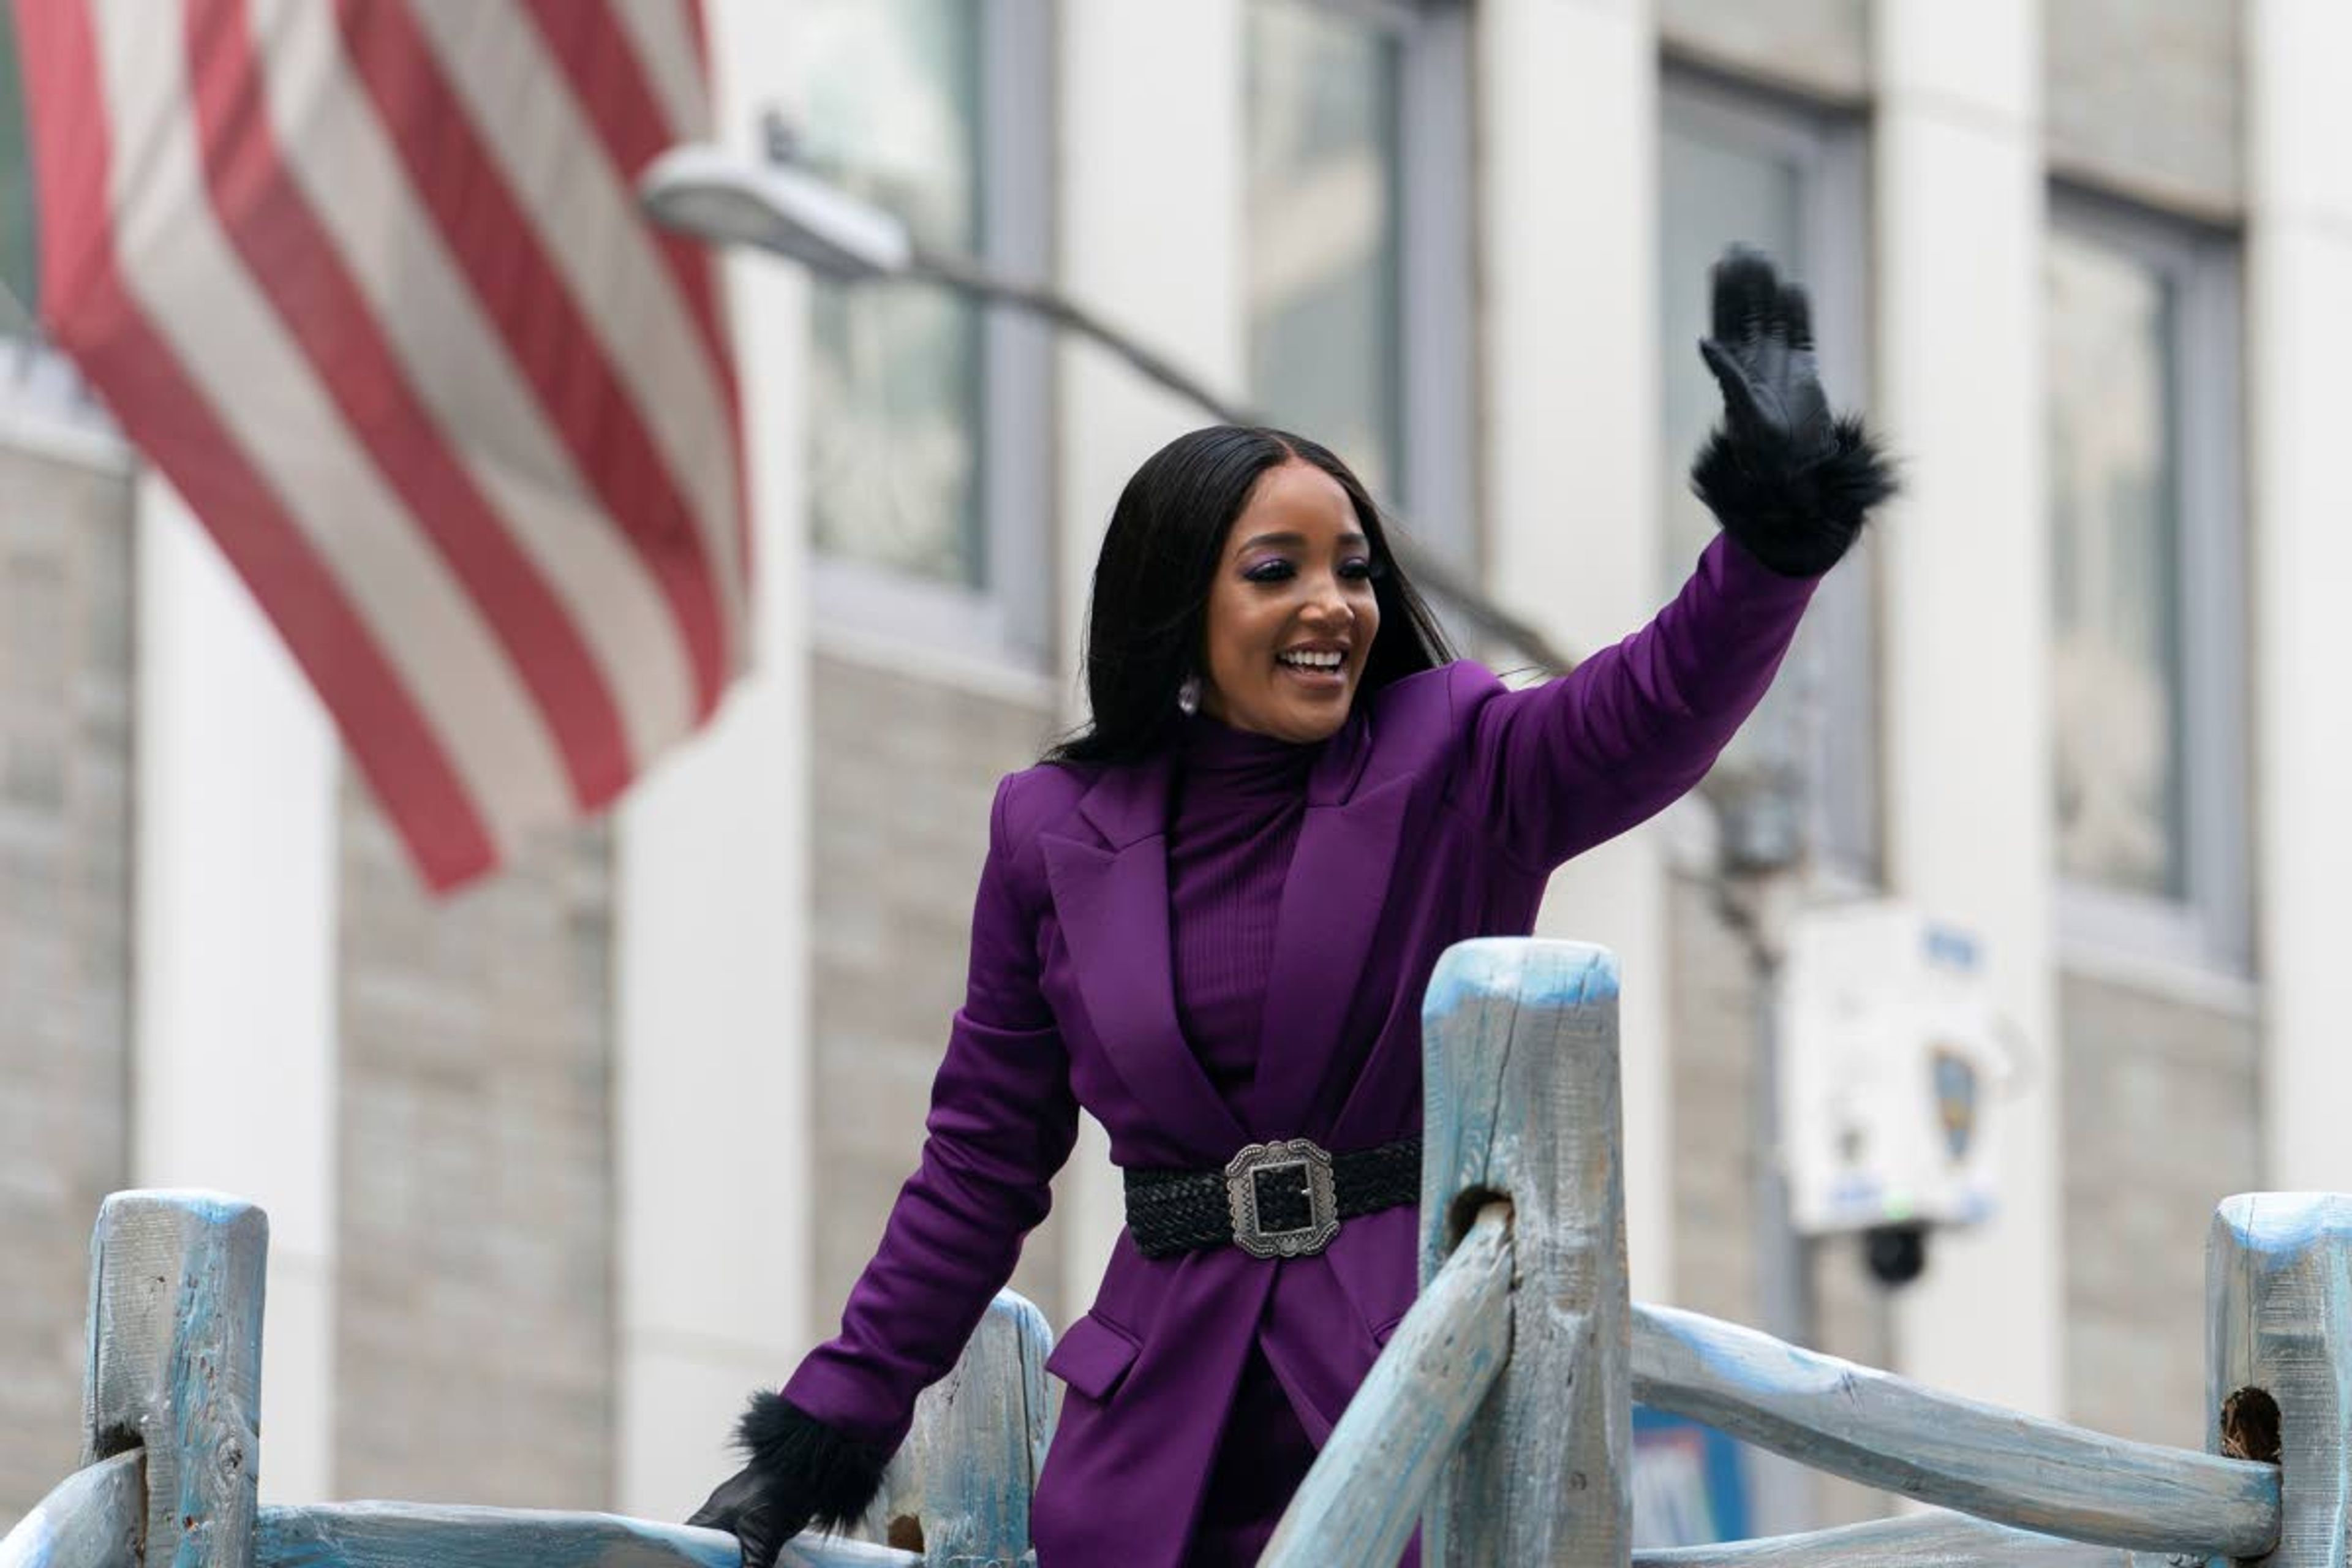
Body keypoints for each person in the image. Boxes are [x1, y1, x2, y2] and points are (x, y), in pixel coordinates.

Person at [688, 249, 1895, 1567]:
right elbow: (979, 1165)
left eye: (1355, 568)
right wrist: (817, 1437)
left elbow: (1653, 709)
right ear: (1179, 604)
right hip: (1152, 1449)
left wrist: (1776, 529)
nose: (1333, 603)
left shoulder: (1456, 754)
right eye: (1278, 569)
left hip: (1407, 1405)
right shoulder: (1049, 831)